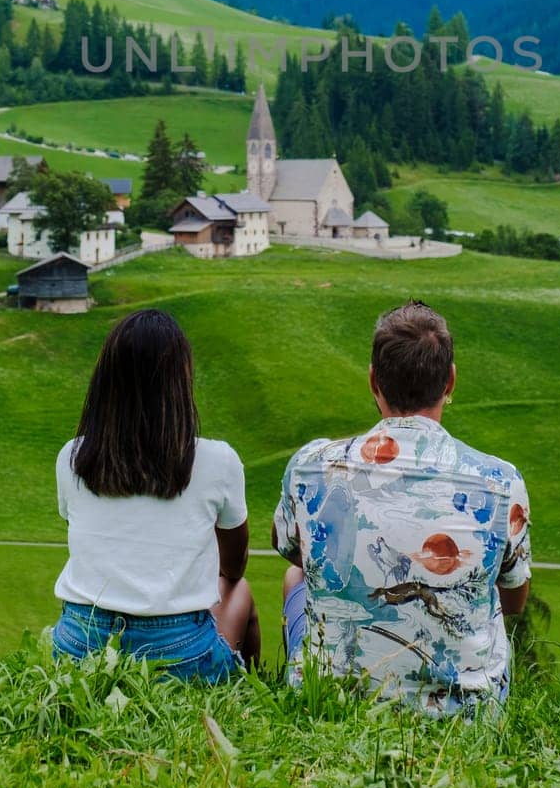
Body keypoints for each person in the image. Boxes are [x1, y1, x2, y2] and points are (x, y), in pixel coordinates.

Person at [273, 300, 531, 715]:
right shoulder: (501, 482)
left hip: (332, 704)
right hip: (464, 717)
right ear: (450, 381)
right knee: (492, 596)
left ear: (373, 380)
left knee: (295, 576)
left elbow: (289, 548)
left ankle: (322, 683)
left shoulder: (310, 465)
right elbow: (516, 600)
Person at [51, 307, 259, 677]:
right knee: (239, 590)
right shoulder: (217, 459)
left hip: (79, 645)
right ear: (181, 382)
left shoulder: (74, 456)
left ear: (106, 381)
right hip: (176, 648)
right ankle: (251, 689)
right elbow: (234, 564)